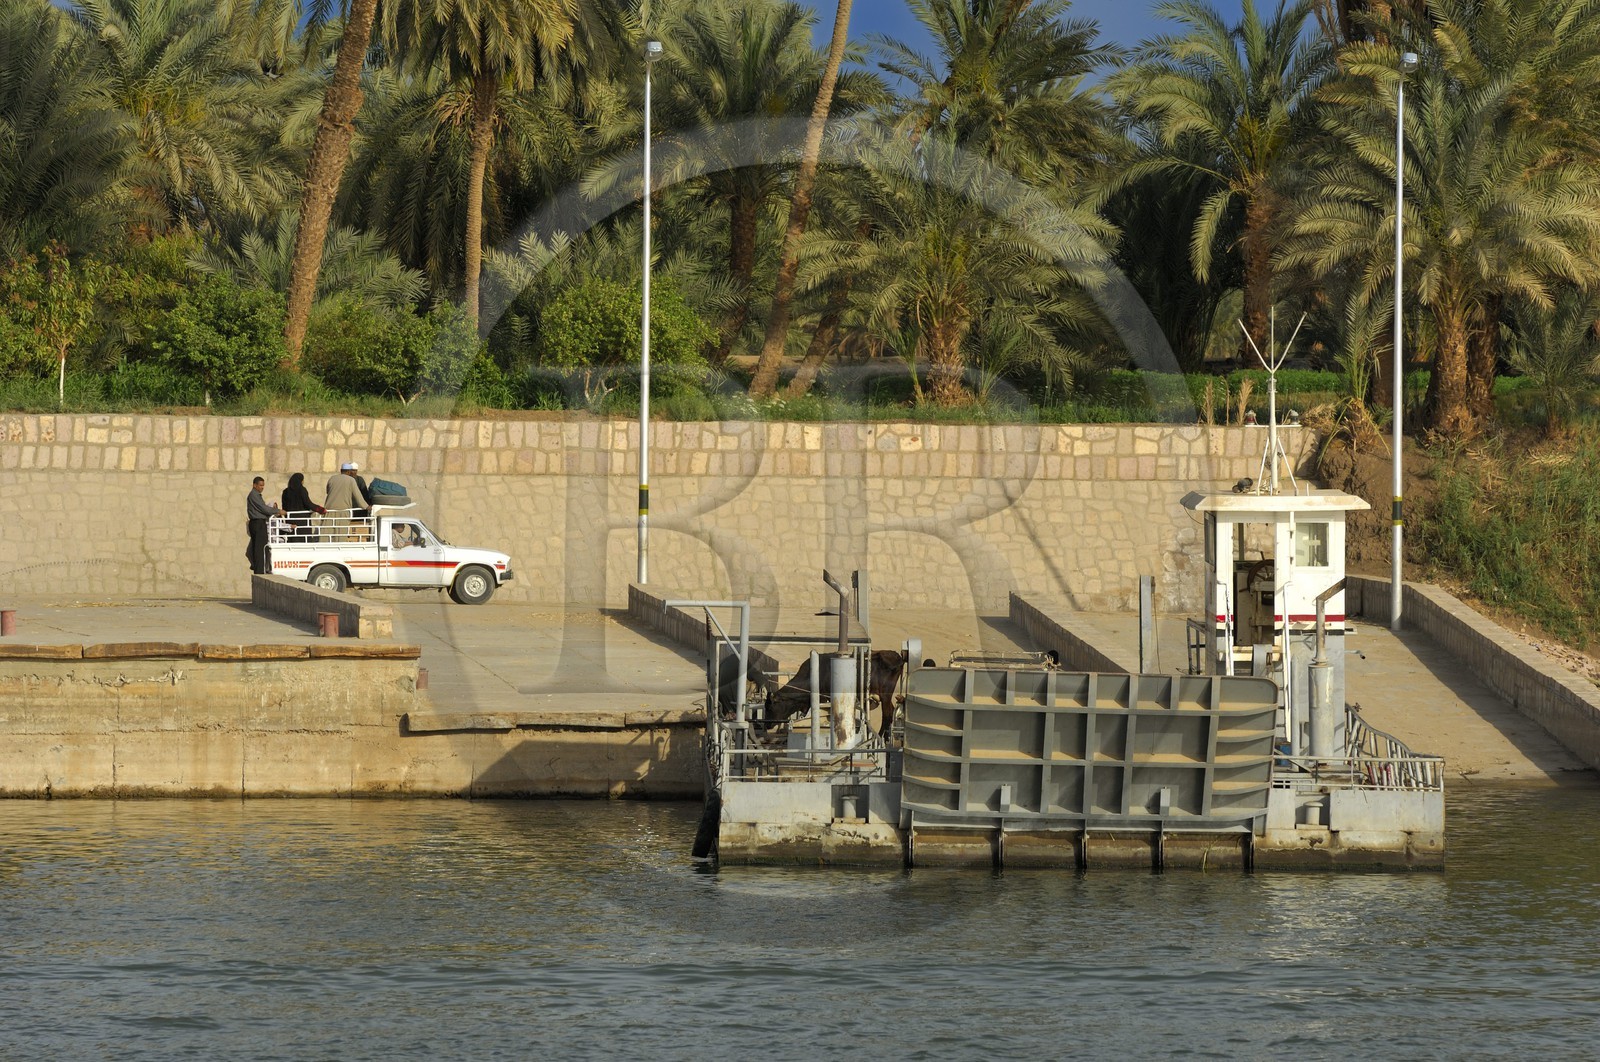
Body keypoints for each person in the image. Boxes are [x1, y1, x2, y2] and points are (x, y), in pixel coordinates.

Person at [324, 463, 370, 542]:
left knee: (327, 533)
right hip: (343, 511)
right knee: (340, 535)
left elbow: (328, 491)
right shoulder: (351, 480)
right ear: (349, 472)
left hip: (329, 510)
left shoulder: (332, 478)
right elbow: (358, 496)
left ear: (341, 470)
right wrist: (366, 506)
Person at [245, 476, 280, 574]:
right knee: (260, 548)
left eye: (263, 486)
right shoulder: (254, 495)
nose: (262, 488)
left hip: (259, 522)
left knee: (261, 547)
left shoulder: (256, 495)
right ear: (254, 485)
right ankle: (259, 570)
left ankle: (261, 568)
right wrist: (278, 511)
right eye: (260, 485)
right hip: (258, 523)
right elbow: (264, 509)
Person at [280, 472, 325, 541]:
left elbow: (284, 507)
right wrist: (321, 510)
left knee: (294, 540)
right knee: (304, 539)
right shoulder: (302, 490)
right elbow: (308, 503)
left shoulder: (285, 492)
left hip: (291, 520)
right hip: (303, 521)